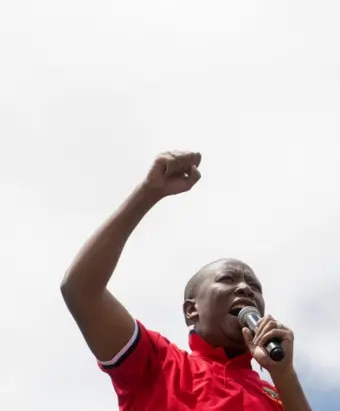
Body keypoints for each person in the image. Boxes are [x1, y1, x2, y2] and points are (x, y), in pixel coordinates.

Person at [61, 150, 312, 411]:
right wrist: (147, 193)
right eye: (227, 279)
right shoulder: (157, 363)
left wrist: (284, 376)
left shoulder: (279, 395)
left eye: (255, 287)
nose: (245, 289)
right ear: (192, 310)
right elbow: (81, 291)